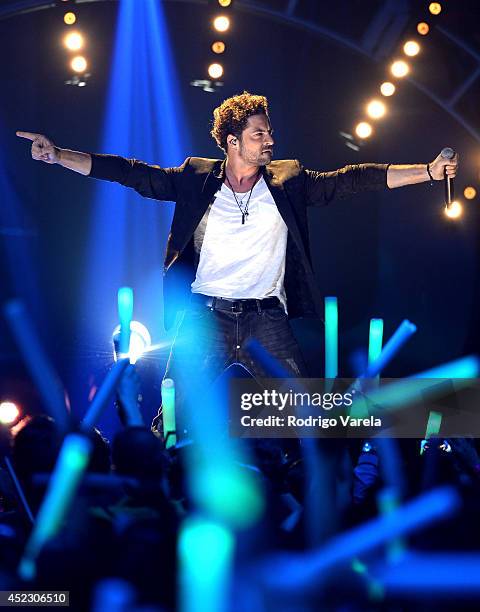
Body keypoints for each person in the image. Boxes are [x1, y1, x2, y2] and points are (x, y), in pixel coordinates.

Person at [17, 91, 458, 436]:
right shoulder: (194, 177)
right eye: (259, 134)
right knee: (174, 414)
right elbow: (130, 172)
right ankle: (152, 489)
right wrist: (59, 156)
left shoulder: (288, 180)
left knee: (302, 413)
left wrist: (428, 171)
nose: (270, 140)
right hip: (204, 316)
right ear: (232, 141)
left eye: (269, 133)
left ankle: (310, 506)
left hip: (266, 317)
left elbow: (351, 180)